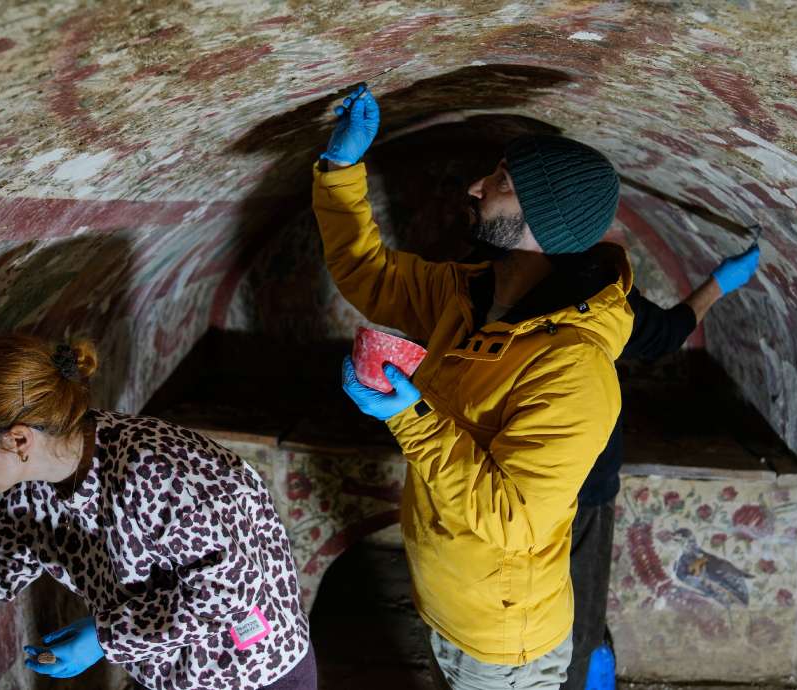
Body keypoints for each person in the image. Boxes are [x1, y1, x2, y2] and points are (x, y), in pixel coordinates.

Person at [316, 84, 630, 689]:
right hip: (450, 604)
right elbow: (369, 272)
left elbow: (514, 519)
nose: (475, 189)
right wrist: (340, 169)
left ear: (546, 222)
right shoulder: (469, 293)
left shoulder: (574, 366)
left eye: (502, 182)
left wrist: (409, 416)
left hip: (501, 642)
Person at [0, 333, 315, 690]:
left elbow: (227, 592)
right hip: (170, 674)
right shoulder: (33, 488)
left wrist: (104, 638)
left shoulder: (158, 471)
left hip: (251, 670)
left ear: (18, 438)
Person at [561, 242, 761, 690]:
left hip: (509, 475)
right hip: (582, 480)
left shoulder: (487, 265)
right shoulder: (593, 280)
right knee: (577, 614)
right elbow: (665, 334)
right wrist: (719, 285)